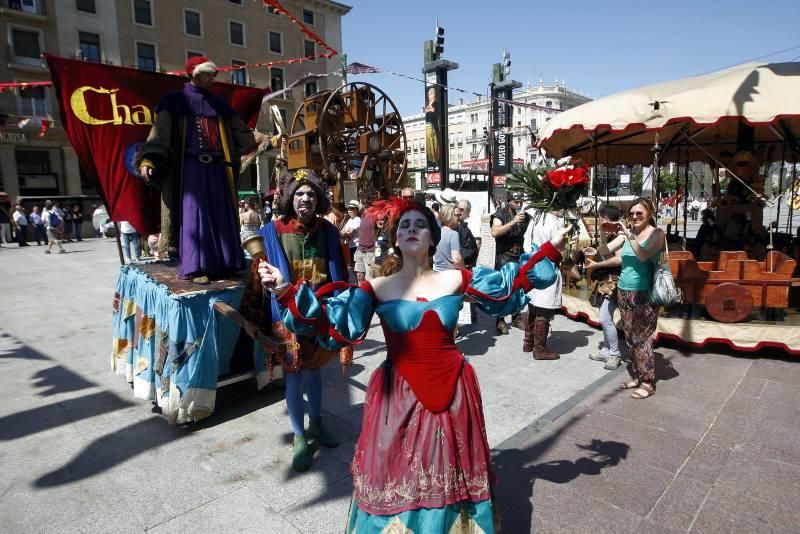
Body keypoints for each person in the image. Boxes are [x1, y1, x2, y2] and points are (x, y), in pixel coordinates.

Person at [258, 198, 567, 532]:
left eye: (419, 223)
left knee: (450, 470)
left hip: (453, 392)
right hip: (398, 397)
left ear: (433, 236)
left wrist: (549, 249)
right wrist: (287, 290)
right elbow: (332, 326)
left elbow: (512, 287)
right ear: (395, 239)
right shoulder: (375, 288)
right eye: (403, 225)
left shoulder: (456, 279)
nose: (411, 229)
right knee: (398, 471)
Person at [137, 56, 277, 284]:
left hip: (219, 169)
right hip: (190, 169)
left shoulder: (220, 105)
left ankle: (227, 264)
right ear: (192, 74)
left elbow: (244, 134)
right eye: (205, 74)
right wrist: (149, 159)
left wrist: (271, 140)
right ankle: (195, 267)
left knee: (222, 215)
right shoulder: (174, 102)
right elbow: (160, 133)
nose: (211, 79)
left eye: (212, 75)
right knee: (195, 216)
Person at [256, 169, 349, 472]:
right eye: (298, 193)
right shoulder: (272, 231)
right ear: (289, 198)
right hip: (287, 314)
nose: (305, 198)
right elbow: (261, 271)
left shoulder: (328, 231)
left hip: (320, 313)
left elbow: (340, 274)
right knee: (294, 375)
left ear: (318, 198)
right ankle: (299, 436)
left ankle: (317, 423)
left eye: (310, 193)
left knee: (316, 371)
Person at [602, 198, 664, 400]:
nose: (635, 217)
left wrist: (628, 234)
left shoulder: (657, 234)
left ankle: (648, 382)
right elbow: (605, 251)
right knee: (629, 336)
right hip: (624, 290)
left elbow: (644, 255)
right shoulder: (628, 235)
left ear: (650, 214)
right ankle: (638, 376)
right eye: (632, 214)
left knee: (642, 338)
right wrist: (603, 234)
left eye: (639, 213)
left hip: (644, 292)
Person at [583, 205, 623, 370]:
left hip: (613, 281)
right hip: (604, 280)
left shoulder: (621, 235)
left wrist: (597, 264)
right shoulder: (611, 233)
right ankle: (607, 350)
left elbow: (618, 259)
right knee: (604, 317)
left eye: (601, 217)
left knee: (605, 319)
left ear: (605, 218)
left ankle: (614, 353)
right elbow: (603, 249)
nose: (599, 220)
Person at [523, 208, 565, 360]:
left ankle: (528, 342)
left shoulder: (537, 218)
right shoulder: (554, 222)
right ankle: (539, 348)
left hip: (533, 265)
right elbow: (560, 248)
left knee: (533, 304)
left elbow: (526, 241)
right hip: (547, 267)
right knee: (544, 309)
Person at [490, 194, 530, 334]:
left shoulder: (526, 215)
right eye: (515, 201)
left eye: (520, 201)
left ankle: (516, 316)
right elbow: (495, 232)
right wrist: (513, 222)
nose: (518, 203)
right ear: (508, 201)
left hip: (519, 255)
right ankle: (500, 320)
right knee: (503, 289)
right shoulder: (499, 214)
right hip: (504, 256)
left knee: (518, 288)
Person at [433, 204, 465, 271]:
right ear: (448, 216)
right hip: (450, 275)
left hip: (437, 272)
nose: (460, 217)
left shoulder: (437, 232)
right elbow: (457, 259)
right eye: (457, 215)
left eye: (460, 215)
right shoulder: (453, 234)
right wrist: (465, 272)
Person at [353, 205, 376, 283]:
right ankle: (362, 294)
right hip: (360, 250)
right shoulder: (363, 215)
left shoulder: (375, 215)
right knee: (359, 277)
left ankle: (370, 295)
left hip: (370, 251)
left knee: (370, 279)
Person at [341, 200, 361, 265]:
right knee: (353, 267)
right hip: (351, 246)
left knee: (357, 267)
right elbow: (342, 231)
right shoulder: (350, 220)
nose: (349, 210)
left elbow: (349, 233)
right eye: (349, 208)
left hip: (357, 247)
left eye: (352, 208)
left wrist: (346, 232)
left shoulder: (357, 219)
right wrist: (346, 232)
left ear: (357, 210)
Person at [371, 214, 390, 278]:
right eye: (377, 220)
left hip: (385, 265)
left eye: (382, 220)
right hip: (377, 264)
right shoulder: (378, 232)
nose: (379, 222)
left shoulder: (389, 233)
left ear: (386, 221)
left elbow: (393, 249)